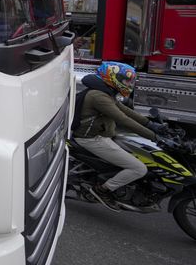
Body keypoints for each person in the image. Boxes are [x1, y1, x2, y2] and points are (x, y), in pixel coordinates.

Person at [72, 61, 168, 211]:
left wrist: (151, 124)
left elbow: (126, 111)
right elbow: (123, 119)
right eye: (125, 80)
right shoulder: (99, 96)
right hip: (91, 139)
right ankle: (102, 190)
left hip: (103, 134)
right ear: (112, 78)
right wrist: (153, 136)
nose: (128, 84)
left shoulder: (105, 92)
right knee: (138, 169)